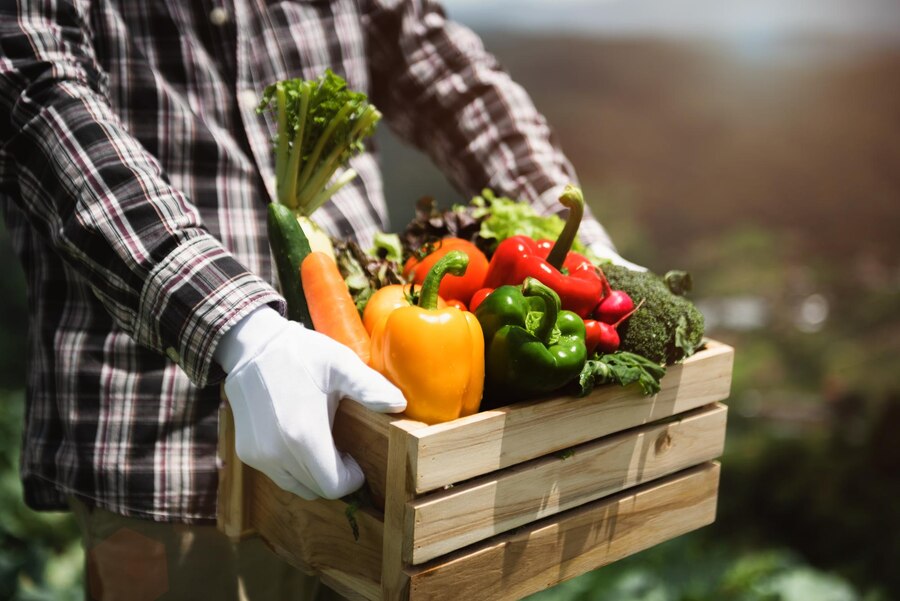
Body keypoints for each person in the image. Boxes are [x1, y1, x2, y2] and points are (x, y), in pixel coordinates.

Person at [0, 0, 637, 599]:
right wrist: (235, 325)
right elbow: (29, 74)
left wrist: (568, 232)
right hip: (163, 441)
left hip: (380, 435)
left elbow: (433, 59)